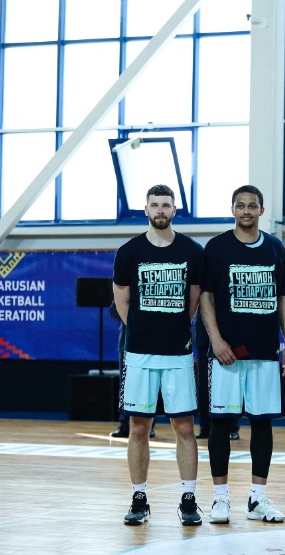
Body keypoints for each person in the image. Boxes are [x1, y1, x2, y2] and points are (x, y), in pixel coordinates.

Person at [200, 185, 285, 525]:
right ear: (232, 209)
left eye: (252, 206)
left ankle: (257, 499)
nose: (246, 211)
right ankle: (220, 498)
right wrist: (216, 340)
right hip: (227, 355)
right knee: (221, 424)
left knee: (262, 423)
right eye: (240, 205)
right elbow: (206, 297)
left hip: (265, 353)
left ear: (261, 210)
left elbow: (282, 297)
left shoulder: (275, 247)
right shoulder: (217, 247)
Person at [113, 184, 205, 526]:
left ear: (174, 209)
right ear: (146, 209)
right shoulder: (129, 251)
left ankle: (188, 500)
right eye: (155, 205)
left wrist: (172, 328)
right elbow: (122, 300)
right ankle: (139, 498)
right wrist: (142, 329)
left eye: (166, 205)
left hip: (178, 354)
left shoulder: (192, 250)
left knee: (185, 427)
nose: (161, 210)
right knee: (138, 427)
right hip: (139, 355)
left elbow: (193, 300)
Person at [108, 301, 155, 439]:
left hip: (150, 343)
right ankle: (124, 425)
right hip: (127, 343)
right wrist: (134, 313)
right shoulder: (125, 291)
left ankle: (149, 426)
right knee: (125, 386)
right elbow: (113, 310)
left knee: (149, 386)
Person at [195, 316, 239, 441]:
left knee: (230, 384)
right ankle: (204, 427)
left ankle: (232, 428)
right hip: (204, 337)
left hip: (228, 335)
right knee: (204, 385)